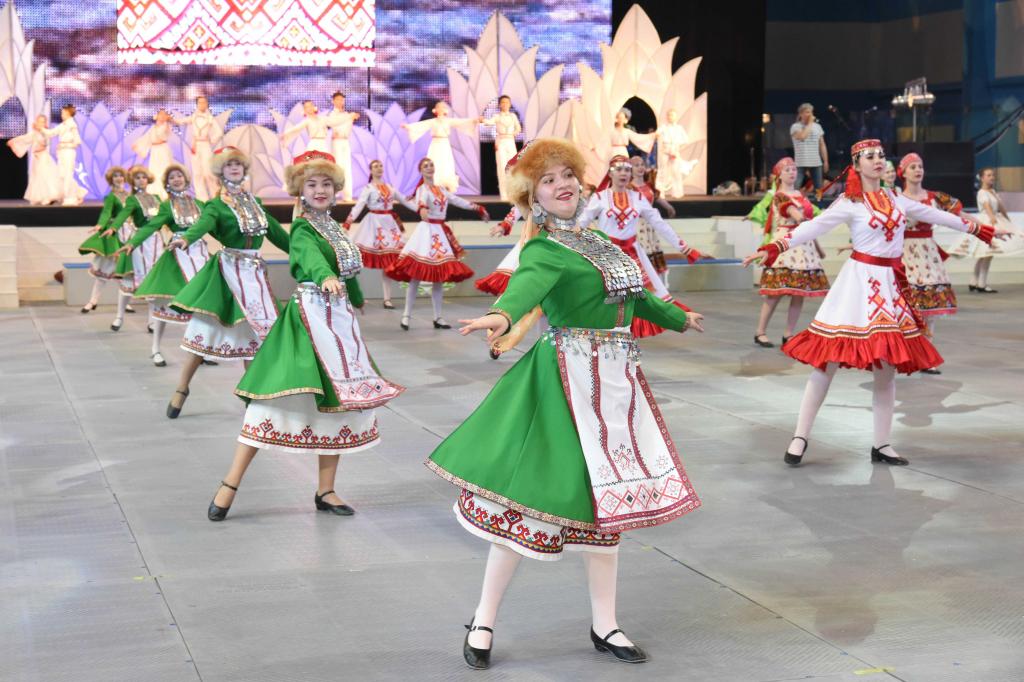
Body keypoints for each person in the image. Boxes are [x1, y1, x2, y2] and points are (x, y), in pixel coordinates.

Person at [425, 138, 703, 669]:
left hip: (614, 383)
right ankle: (483, 619)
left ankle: (606, 623)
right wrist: (501, 317)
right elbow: (524, 289)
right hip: (565, 382)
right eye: (548, 180)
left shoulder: (598, 240)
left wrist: (677, 316)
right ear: (532, 197)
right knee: (527, 501)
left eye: (567, 175)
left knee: (608, 505)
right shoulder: (544, 249)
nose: (562, 185)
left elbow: (637, 295)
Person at [742, 139, 1006, 467]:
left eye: (880, 155)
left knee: (886, 366)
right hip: (857, 285)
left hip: (889, 286)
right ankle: (800, 436)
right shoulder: (849, 202)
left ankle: (882, 444)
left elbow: (937, 215)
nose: (878, 160)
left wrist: (983, 230)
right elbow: (811, 227)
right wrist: (773, 248)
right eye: (870, 156)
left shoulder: (897, 198)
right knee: (828, 361)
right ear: (856, 165)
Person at [207, 151, 403, 522]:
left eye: (326, 183)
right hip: (307, 318)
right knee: (272, 401)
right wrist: (324, 276)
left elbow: (344, 268)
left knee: (339, 400)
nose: (320, 190)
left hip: (337, 321)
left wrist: (355, 296)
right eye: (311, 184)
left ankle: (326, 490)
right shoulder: (302, 228)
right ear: (300, 190)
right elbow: (311, 258)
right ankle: (230, 483)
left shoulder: (333, 227)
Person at [164, 147, 291, 419]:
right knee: (205, 332)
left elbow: (277, 234)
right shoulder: (216, 206)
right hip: (228, 273)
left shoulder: (255, 202)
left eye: (238, 164)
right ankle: (182, 387)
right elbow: (204, 223)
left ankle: (252, 398)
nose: (234, 168)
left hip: (254, 276)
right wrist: (187, 238)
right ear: (220, 171)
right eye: (228, 164)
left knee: (256, 335)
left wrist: (304, 254)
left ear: (244, 169)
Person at [578, 155, 702, 338]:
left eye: (627, 170)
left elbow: (659, 223)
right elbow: (581, 222)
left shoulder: (637, 197)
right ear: (610, 173)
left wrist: (685, 248)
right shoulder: (600, 197)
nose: (623, 174)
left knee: (640, 295)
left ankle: (628, 333)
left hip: (632, 254)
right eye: (619, 170)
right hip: (607, 255)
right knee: (604, 295)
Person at [114, 163, 209, 367]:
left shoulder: (200, 204)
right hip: (177, 257)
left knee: (201, 305)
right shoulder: (166, 206)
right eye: (172, 177)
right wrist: (132, 243)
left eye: (179, 175)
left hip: (199, 255)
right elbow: (151, 225)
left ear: (186, 179)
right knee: (164, 305)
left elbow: (212, 226)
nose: (176, 179)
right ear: (167, 183)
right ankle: (155, 348)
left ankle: (199, 350)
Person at [897, 153, 980, 374]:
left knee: (929, 308)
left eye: (920, 166)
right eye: (912, 167)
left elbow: (961, 216)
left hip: (928, 255)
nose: (918, 170)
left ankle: (926, 357)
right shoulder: (896, 199)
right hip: (904, 254)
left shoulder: (935, 198)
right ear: (902, 172)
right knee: (905, 307)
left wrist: (986, 230)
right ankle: (903, 353)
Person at [384, 157, 488, 330]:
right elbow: (421, 203)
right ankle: (406, 315)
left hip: (439, 233)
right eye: (425, 166)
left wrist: (478, 208)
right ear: (421, 170)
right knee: (416, 275)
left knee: (439, 277)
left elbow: (458, 200)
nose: (429, 167)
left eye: (431, 165)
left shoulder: (441, 189)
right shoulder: (422, 190)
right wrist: (422, 209)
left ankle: (438, 317)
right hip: (426, 233)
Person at [753, 158, 829, 348]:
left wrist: (817, 247)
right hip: (785, 245)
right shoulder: (779, 196)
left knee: (798, 293)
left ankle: (789, 333)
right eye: (787, 170)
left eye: (794, 169)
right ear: (779, 175)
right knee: (775, 293)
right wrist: (816, 221)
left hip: (803, 247)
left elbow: (806, 224)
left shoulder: (800, 194)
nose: (792, 172)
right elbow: (799, 217)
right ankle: (760, 331)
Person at [343, 159, 417, 308]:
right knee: (357, 259)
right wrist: (348, 222)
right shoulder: (368, 188)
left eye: (380, 166)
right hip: (373, 225)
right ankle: (351, 294)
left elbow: (405, 201)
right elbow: (359, 206)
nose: (379, 168)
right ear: (371, 171)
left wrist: (421, 210)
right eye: (375, 166)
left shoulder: (390, 187)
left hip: (389, 226)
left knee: (388, 263)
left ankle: (387, 299)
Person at [949, 167, 1024, 293]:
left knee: (985, 255)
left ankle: (974, 282)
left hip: (995, 218)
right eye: (988, 175)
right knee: (986, 255)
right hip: (986, 220)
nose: (992, 177)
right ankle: (981, 284)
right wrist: (994, 225)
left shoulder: (993, 191)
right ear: (982, 178)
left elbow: (1001, 208)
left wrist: (1008, 222)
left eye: (992, 175)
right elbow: (988, 208)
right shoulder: (982, 192)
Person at [109, 166, 163, 332]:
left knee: (154, 281)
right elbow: (123, 214)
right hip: (138, 241)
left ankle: (152, 320)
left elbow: (165, 217)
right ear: (133, 181)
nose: (141, 180)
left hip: (156, 242)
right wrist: (113, 227)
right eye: (137, 178)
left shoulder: (156, 198)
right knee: (129, 281)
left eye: (144, 177)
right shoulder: (132, 199)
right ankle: (119, 316)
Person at [78, 167, 129, 313]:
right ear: (111, 179)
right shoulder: (111, 197)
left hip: (128, 234)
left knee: (123, 272)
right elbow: (106, 213)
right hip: (113, 234)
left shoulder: (130, 196)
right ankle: (93, 301)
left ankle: (126, 302)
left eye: (121, 175)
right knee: (105, 270)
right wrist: (100, 225)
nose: (118, 178)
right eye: (115, 176)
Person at [402, 101, 483, 192]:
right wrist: (408, 127)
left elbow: (461, 122)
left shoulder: (448, 121)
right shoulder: (433, 121)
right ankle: (433, 185)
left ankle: (446, 186)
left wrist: (475, 120)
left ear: (445, 110)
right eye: (438, 107)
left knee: (445, 163)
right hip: (435, 144)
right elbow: (421, 125)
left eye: (442, 107)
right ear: (435, 110)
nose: (440, 109)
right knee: (434, 162)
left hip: (444, 144)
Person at [630, 155, 676, 287]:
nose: (640, 168)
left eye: (642, 165)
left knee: (652, 251)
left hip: (649, 226)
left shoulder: (648, 185)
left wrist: (668, 207)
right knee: (641, 252)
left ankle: (656, 285)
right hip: (636, 226)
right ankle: (640, 283)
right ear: (630, 169)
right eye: (636, 165)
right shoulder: (629, 187)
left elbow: (656, 197)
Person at [173, 96, 223, 201]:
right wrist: (170, 119)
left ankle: (215, 196)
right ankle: (202, 199)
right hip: (195, 146)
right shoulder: (194, 117)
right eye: (200, 103)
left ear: (207, 104)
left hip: (205, 145)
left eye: (204, 102)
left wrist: (212, 140)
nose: (202, 104)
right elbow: (181, 121)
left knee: (208, 172)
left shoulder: (210, 118)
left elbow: (219, 132)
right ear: (197, 104)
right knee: (197, 174)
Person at [6, 115, 63, 206]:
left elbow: (44, 142)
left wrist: (40, 131)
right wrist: (13, 141)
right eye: (39, 121)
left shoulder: (45, 132)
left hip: (43, 157)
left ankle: (48, 197)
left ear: (45, 123)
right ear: (37, 122)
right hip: (36, 158)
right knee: (37, 177)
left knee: (45, 176)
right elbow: (25, 138)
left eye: (43, 122)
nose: (41, 123)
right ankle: (40, 197)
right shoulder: (34, 133)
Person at [481, 95, 522, 200]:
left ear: (510, 104)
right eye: (503, 102)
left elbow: (518, 127)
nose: (505, 104)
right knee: (502, 167)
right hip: (501, 142)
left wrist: (514, 133)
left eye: (507, 102)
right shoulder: (497, 116)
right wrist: (483, 120)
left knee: (513, 167)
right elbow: (489, 122)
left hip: (511, 142)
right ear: (499, 104)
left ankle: (513, 193)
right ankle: (504, 195)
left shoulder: (513, 116)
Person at [47, 105, 88, 205]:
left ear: (68, 113)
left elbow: (77, 141)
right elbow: (52, 133)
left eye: (63, 113)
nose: (61, 115)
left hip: (68, 152)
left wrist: (67, 145)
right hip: (62, 152)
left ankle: (70, 198)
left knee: (68, 174)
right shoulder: (63, 125)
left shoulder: (72, 124)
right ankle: (78, 193)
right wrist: (41, 129)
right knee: (62, 174)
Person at [324, 91, 360, 201]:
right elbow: (331, 123)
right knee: (337, 168)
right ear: (333, 101)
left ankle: (347, 195)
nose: (340, 102)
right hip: (337, 143)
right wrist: (350, 116)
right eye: (338, 99)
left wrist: (351, 117)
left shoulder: (346, 114)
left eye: (342, 100)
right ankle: (333, 194)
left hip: (345, 142)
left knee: (347, 169)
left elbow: (348, 126)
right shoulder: (332, 114)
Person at [132, 109, 175, 199]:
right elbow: (147, 137)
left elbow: (161, 134)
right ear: (157, 116)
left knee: (164, 170)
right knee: (154, 171)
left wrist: (167, 121)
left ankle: (165, 194)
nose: (162, 116)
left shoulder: (166, 126)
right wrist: (138, 144)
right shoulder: (153, 127)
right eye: (160, 114)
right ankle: (155, 193)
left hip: (163, 150)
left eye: (164, 114)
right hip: (155, 151)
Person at [655, 109, 697, 198]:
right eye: (669, 115)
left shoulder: (679, 128)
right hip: (665, 150)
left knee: (676, 172)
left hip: (674, 150)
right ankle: (659, 192)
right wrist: (658, 135)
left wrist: (677, 148)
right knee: (662, 171)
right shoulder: (663, 127)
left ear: (676, 117)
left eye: (672, 115)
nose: (670, 117)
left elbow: (686, 140)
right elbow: (657, 134)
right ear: (667, 117)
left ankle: (677, 193)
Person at [790, 103, 828, 191]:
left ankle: (818, 200)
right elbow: (803, 136)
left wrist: (826, 161)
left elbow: (822, 144)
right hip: (800, 162)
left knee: (819, 189)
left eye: (811, 112)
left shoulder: (817, 127)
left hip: (816, 162)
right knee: (795, 187)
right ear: (801, 114)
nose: (810, 114)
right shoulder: (795, 127)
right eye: (807, 112)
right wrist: (810, 123)